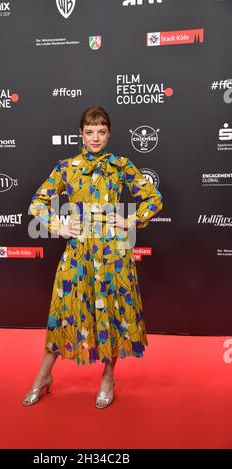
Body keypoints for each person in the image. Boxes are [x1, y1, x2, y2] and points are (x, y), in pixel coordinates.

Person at [23, 106, 163, 408]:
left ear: (109, 134)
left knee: (111, 314)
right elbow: (38, 203)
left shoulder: (121, 165)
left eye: (101, 131)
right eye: (89, 132)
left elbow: (154, 198)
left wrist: (132, 219)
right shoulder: (67, 167)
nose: (95, 137)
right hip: (79, 253)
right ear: (81, 134)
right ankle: (43, 376)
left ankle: (108, 377)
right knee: (64, 314)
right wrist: (58, 226)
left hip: (113, 254)